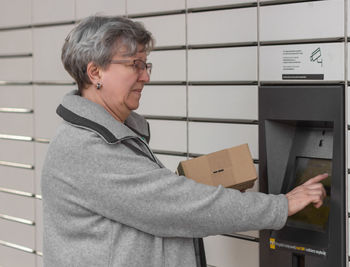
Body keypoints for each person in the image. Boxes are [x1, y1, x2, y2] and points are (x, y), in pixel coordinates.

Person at [41, 15, 327, 267]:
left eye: (146, 64)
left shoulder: (108, 135)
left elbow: (156, 202)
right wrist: (280, 206)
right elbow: (176, 206)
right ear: (95, 72)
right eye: (135, 65)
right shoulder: (87, 148)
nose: (146, 76)